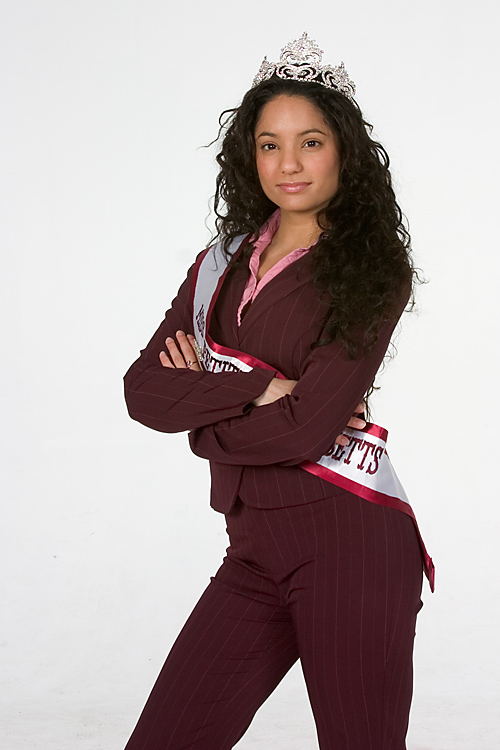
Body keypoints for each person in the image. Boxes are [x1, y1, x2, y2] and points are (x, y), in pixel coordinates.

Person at [123, 33, 433, 750]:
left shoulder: (372, 267)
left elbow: (306, 428)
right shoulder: (220, 263)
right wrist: (264, 386)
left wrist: (201, 417)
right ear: (250, 155)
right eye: (270, 144)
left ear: (344, 153)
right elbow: (142, 391)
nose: (288, 163)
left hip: (349, 548)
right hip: (253, 552)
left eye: (310, 143)